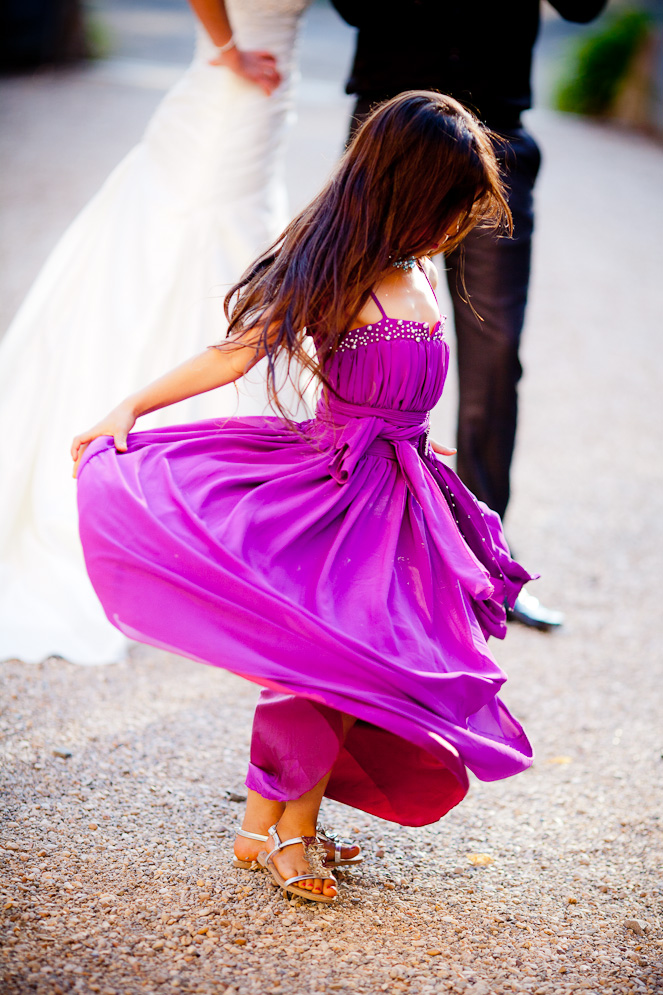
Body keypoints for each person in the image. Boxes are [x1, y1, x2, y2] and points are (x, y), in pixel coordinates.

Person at [72, 92, 533, 903]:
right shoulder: (344, 275)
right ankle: (287, 833)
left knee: (351, 666)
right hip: (333, 492)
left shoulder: (416, 268)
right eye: (446, 209)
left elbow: (398, 391)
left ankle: (267, 824)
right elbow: (235, 353)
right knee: (324, 662)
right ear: (401, 194)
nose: (454, 228)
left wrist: (417, 440)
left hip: (396, 491)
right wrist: (132, 407)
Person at [0, 0, 310, 666]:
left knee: (238, 252)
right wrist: (226, 49)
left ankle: (219, 491)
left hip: (262, 110)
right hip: (230, 92)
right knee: (190, 258)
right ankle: (159, 477)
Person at [331, 0, 608, 630]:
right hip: (392, 138)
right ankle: (360, 561)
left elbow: (585, 8)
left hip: (498, 144)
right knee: (354, 338)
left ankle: (484, 566)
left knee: (495, 353)